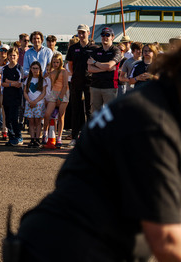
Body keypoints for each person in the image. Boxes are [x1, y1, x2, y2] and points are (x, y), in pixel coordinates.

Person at [15, 46, 181, 262]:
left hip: (71, 237)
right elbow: (167, 241)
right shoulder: (151, 121)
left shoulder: (152, 101)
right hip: (67, 247)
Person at [66, 24, 97, 147]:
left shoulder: (95, 48)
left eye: (83, 32)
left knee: (89, 111)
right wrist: (76, 75)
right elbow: (70, 65)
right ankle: (74, 137)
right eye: (79, 32)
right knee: (76, 110)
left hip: (90, 82)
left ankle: (89, 137)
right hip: (76, 82)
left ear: (88, 33)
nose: (81, 35)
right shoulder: (73, 48)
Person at [87, 27, 121, 113]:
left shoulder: (116, 51)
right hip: (95, 86)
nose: (104, 37)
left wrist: (95, 62)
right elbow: (90, 69)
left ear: (112, 37)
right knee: (95, 114)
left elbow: (109, 66)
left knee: (110, 114)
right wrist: (105, 68)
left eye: (107, 35)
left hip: (110, 87)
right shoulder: (96, 51)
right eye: (103, 35)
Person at [41, 53, 70, 148]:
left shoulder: (64, 71)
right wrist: (46, 75)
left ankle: (59, 137)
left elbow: (65, 85)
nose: (55, 64)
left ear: (60, 62)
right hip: (53, 93)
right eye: (54, 62)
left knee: (61, 116)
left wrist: (60, 98)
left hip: (63, 93)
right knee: (47, 114)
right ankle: (45, 133)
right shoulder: (52, 72)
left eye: (57, 62)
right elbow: (45, 81)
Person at [1, 48, 24, 147]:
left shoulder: (20, 68)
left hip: (16, 97)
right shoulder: (5, 69)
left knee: (14, 118)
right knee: (8, 119)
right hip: (7, 97)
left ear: (18, 56)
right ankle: (11, 138)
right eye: (10, 55)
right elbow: (3, 83)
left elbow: (19, 84)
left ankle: (19, 137)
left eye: (14, 55)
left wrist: (9, 82)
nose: (12, 57)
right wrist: (11, 84)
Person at [23, 61, 46, 148]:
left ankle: (37, 139)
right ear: (31, 69)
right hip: (29, 104)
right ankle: (32, 138)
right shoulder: (28, 79)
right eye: (33, 68)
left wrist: (35, 101)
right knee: (31, 122)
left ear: (40, 69)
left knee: (38, 122)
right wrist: (29, 101)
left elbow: (43, 93)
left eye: (37, 68)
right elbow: (25, 92)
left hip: (39, 104)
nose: (35, 70)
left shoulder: (42, 80)